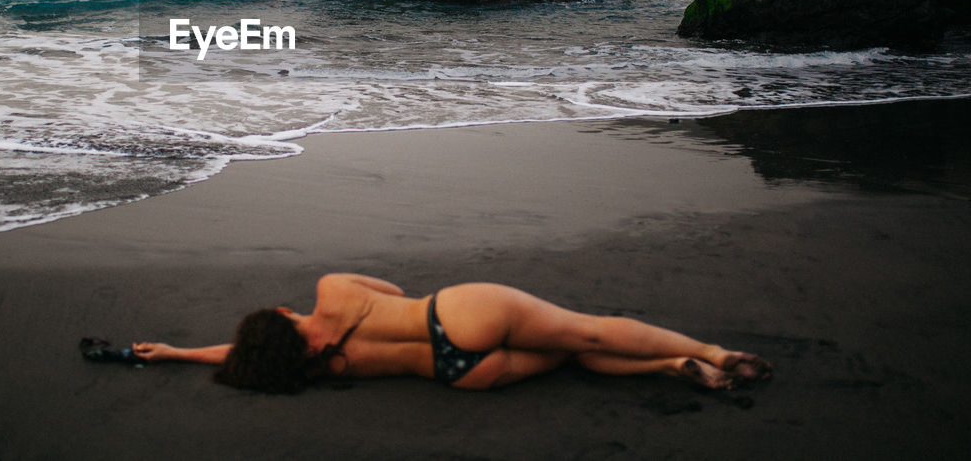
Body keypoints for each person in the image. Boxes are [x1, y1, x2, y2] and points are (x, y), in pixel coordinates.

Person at [93, 273, 772, 394]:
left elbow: (238, 355)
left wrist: (179, 351)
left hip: (459, 374)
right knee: (585, 331)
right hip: (453, 314)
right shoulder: (332, 289)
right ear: (281, 311)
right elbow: (392, 291)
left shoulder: (319, 368)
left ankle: (671, 367)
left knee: (567, 358)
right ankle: (711, 350)